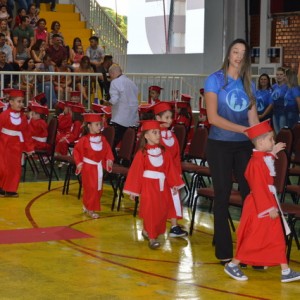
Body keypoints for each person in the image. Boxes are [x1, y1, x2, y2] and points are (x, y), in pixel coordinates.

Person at [204, 38, 259, 264]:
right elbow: (212, 118)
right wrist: (244, 130)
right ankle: (224, 251)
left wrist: (265, 146)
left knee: (250, 195)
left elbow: (253, 121)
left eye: (242, 53)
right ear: (228, 55)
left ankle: (250, 248)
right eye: (235, 51)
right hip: (219, 145)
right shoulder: (214, 80)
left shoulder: (249, 85)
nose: (238, 56)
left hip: (244, 146)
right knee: (223, 194)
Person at [224, 120, 300, 283]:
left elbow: (266, 161)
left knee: (276, 236)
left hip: (267, 202)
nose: (273, 142)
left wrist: (273, 151)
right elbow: (258, 188)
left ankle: (285, 270)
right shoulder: (256, 163)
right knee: (255, 237)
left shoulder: (261, 158)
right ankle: (233, 264)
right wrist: (268, 208)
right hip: (260, 206)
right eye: (271, 140)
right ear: (260, 142)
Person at [123, 120, 185, 249]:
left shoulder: (165, 153)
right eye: (154, 132)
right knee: (151, 210)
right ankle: (152, 238)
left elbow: (170, 170)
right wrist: (134, 191)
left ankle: (147, 231)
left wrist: (174, 184)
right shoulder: (142, 154)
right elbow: (136, 172)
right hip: (148, 187)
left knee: (161, 211)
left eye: (158, 132)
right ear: (146, 136)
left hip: (163, 187)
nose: (158, 135)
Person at [153, 101, 188, 237]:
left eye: (170, 117)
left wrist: (177, 174)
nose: (170, 120)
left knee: (174, 198)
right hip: (159, 175)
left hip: (172, 175)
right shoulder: (154, 136)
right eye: (166, 117)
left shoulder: (172, 136)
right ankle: (152, 227)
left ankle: (174, 226)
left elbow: (177, 157)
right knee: (158, 202)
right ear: (158, 118)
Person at [73, 113, 114, 218]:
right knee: (90, 188)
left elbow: (107, 150)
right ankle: (90, 209)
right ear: (89, 126)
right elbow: (77, 151)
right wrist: (79, 163)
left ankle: (88, 206)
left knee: (98, 189)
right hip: (88, 168)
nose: (99, 127)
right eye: (96, 124)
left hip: (98, 167)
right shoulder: (84, 140)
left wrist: (109, 159)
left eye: (100, 124)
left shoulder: (102, 139)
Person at [0, 89, 34, 197]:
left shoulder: (23, 117)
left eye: (22, 102)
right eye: (19, 101)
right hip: (4, 144)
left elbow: (26, 133)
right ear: (11, 102)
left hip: (16, 146)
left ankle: (10, 189)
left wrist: (29, 148)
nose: (21, 104)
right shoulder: (4, 115)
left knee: (15, 168)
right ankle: (1, 187)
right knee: (3, 167)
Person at [108, 64, 139, 157]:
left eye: (110, 75)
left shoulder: (115, 82)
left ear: (112, 73)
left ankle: (112, 161)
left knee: (111, 142)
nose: (110, 78)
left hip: (120, 119)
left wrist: (107, 102)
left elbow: (114, 100)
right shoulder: (131, 82)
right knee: (127, 145)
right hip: (133, 119)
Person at [271, 67, 288, 133]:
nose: (279, 76)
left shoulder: (287, 86)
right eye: (277, 74)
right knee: (277, 132)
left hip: (283, 113)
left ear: (284, 75)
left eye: (281, 74)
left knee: (283, 133)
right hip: (275, 113)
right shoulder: (273, 87)